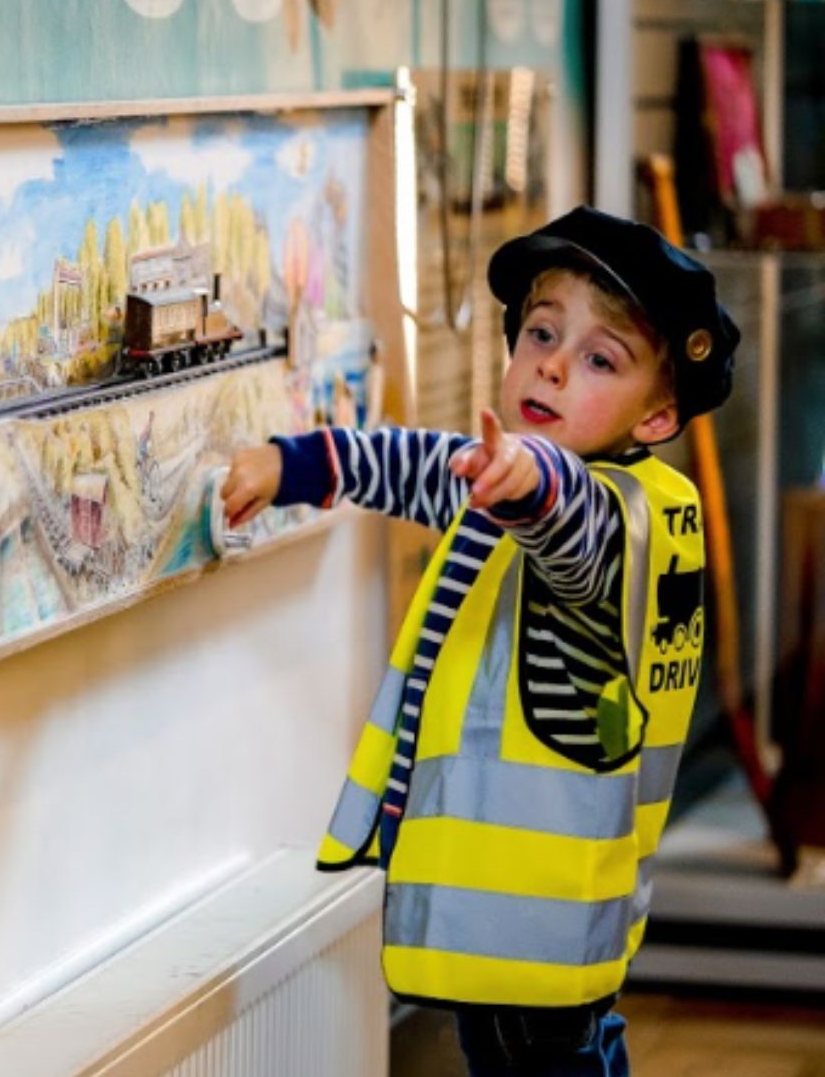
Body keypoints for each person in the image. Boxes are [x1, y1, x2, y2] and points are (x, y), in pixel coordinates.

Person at [219, 206, 738, 1076]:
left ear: (655, 419)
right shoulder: (499, 480)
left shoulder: (617, 516)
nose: (553, 365)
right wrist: (291, 464)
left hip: (542, 925)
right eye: (541, 332)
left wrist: (529, 482)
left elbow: (568, 523)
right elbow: (410, 461)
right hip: (515, 933)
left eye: (599, 359)